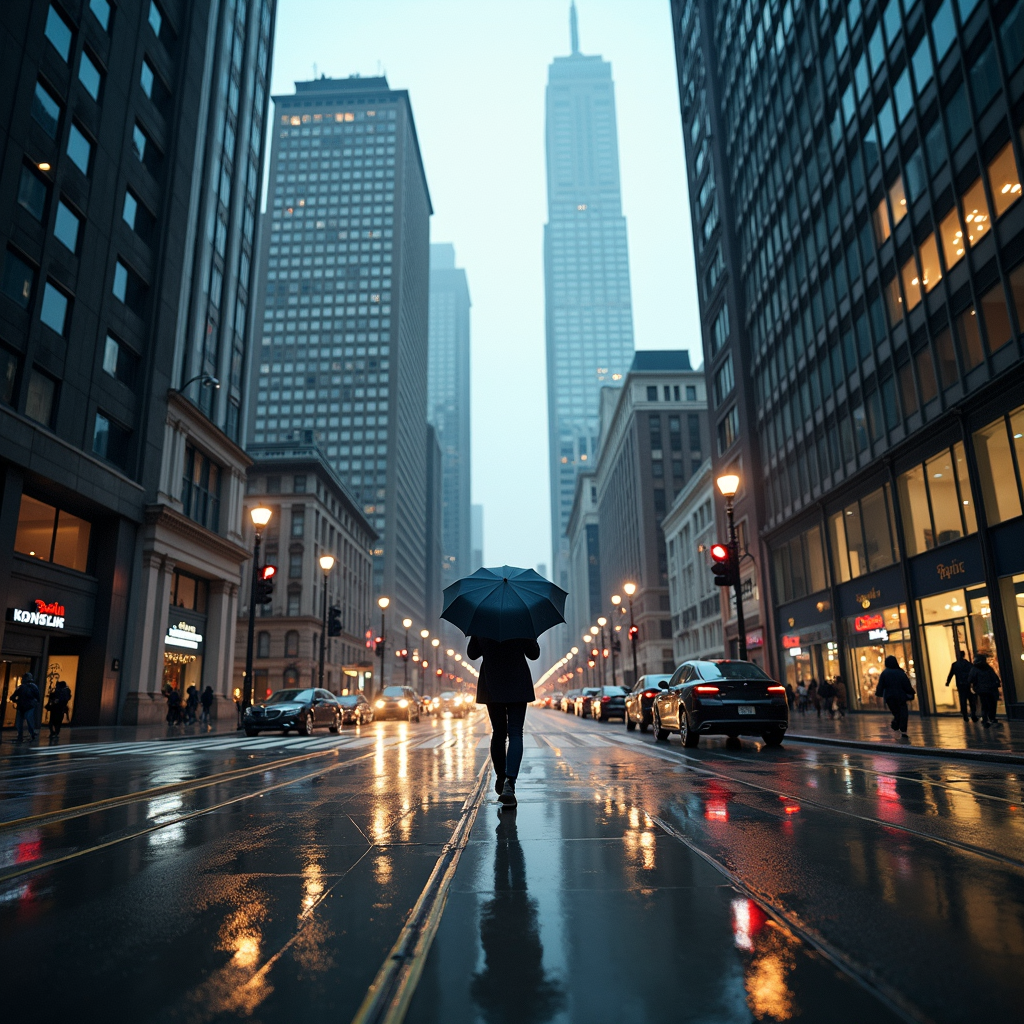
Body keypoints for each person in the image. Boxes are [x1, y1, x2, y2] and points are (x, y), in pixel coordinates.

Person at [468, 634, 540, 807]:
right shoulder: (521, 620)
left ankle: (501, 776)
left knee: (499, 733)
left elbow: (472, 653)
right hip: (518, 681)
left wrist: (477, 635)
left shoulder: (483, 621)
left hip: (492, 681)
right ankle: (510, 784)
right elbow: (534, 653)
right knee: (515, 733)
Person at [875, 655, 915, 741]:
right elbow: (906, 685)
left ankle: (896, 723)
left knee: (896, 712)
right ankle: (903, 730)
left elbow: (881, 685)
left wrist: (879, 694)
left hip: (890, 697)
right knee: (903, 712)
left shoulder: (884, 673)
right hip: (901, 696)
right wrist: (911, 692)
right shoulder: (900, 672)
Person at [968, 653, 1001, 727]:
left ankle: (985, 719)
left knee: (984, 704)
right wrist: (996, 683)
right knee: (991, 704)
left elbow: (970, 679)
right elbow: (994, 677)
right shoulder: (988, 668)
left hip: (981, 690)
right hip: (990, 689)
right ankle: (991, 718)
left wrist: (974, 686)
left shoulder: (974, 669)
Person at [946, 650, 978, 722]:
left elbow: (951, 674)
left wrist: (948, 682)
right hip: (968, 684)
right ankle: (973, 714)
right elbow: (973, 674)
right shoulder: (969, 664)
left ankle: (965, 715)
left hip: (960, 685)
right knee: (971, 700)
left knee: (963, 700)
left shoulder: (955, 665)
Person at [11, 671, 40, 741]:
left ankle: (21, 736)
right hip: (29, 705)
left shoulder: (21, 687)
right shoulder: (33, 687)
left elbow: (13, 697)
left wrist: (17, 701)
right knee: (29, 720)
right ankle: (31, 733)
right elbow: (37, 697)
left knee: (20, 722)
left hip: (22, 706)